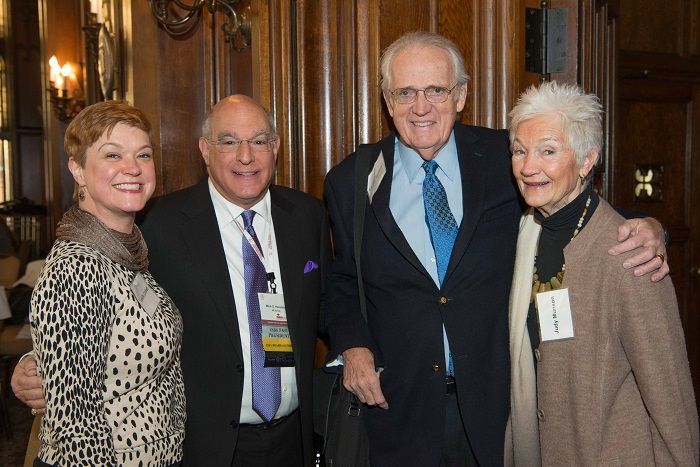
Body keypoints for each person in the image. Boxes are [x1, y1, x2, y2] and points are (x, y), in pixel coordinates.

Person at [323, 31, 669, 466]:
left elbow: (578, 206)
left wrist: (651, 227)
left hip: (498, 413)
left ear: (461, 95)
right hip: (397, 411)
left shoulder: (507, 157)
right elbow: (341, 279)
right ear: (388, 101)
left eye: (436, 90)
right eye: (405, 92)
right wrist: (353, 345)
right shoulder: (351, 181)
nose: (421, 107)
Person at [13, 94, 330, 466]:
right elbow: (78, 318)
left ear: (275, 147)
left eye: (259, 141)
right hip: (203, 447)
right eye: (229, 141)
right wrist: (37, 361)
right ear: (205, 150)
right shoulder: (157, 225)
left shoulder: (307, 216)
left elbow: (329, 302)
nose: (246, 156)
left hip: (292, 440)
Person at [505, 81, 698, 466]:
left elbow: (669, 396)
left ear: (586, 160)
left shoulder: (630, 254)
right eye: (520, 150)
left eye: (548, 151)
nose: (528, 167)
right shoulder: (526, 233)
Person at [29, 101, 185, 466]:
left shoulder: (126, 254)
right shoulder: (77, 268)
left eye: (143, 154)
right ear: (78, 170)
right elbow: (76, 428)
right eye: (113, 154)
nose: (133, 167)